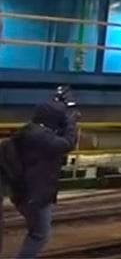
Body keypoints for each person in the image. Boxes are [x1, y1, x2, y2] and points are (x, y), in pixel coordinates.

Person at [5, 88, 78, 259]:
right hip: (34, 195)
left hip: (25, 192)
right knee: (40, 234)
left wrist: (59, 103)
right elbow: (67, 143)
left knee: (37, 231)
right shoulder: (41, 137)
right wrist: (71, 122)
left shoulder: (30, 131)